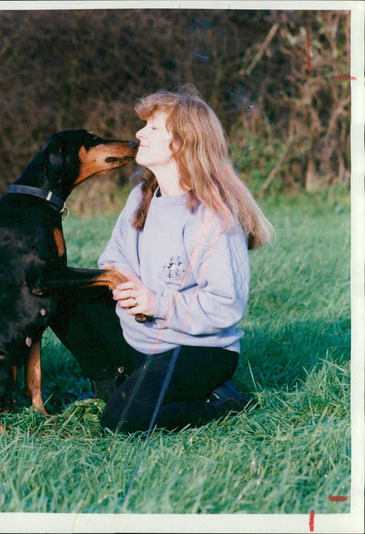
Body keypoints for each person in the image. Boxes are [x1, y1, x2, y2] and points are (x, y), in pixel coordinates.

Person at [50, 86, 274, 433]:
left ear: (183, 142)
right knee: (59, 294)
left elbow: (226, 305)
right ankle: (115, 385)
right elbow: (114, 256)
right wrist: (125, 283)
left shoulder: (213, 215)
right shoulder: (142, 194)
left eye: (153, 129)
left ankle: (223, 403)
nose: (139, 134)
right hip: (142, 339)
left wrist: (155, 302)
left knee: (121, 421)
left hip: (196, 349)